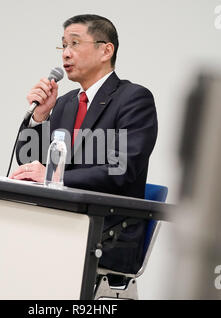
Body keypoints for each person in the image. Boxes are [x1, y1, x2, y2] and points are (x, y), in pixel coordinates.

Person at [10, 14, 158, 275]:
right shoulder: (66, 102)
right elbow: (30, 159)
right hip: (61, 222)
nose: (66, 54)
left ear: (105, 50)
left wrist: (52, 174)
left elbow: (119, 170)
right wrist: (39, 116)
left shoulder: (134, 99)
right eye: (63, 45)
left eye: (75, 44)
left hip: (108, 234)